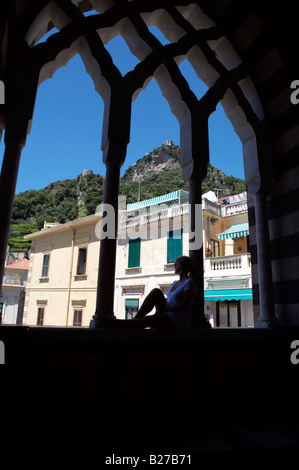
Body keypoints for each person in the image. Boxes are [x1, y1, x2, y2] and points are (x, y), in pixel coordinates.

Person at [101, 256, 198, 330]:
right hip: (166, 312)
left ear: (180, 266)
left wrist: (166, 309)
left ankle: (114, 324)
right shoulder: (174, 283)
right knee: (156, 291)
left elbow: (185, 305)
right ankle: (136, 318)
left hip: (177, 318)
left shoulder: (189, 282)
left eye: (175, 264)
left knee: (147, 320)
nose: (174, 266)